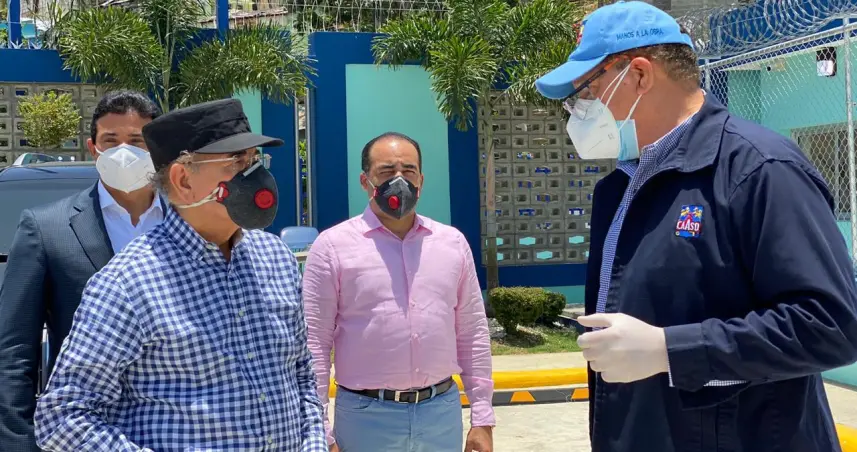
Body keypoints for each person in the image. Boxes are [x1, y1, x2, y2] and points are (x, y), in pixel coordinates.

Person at [537, 1, 857, 450]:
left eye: (586, 90)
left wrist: (670, 350)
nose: (577, 110)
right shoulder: (616, 188)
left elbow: (832, 325)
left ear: (639, 75)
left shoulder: (759, 169)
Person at [33, 99, 326, 451]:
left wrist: (313, 443)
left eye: (253, 161)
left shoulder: (276, 258)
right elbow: (62, 417)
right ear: (183, 179)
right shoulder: (129, 283)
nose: (255, 176)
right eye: (235, 162)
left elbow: (300, 374)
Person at [302, 132, 495, 452]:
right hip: (365, 418)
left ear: (421, 180)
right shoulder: (332, 247)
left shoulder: (452, 244)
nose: (399, 180)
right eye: (386, 172)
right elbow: (314, 344)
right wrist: (319, 430)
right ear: (365, 181)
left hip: (441, 415)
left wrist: (483, 419)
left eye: (408, 171)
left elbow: (472, 333)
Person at [0, 89, 163, 452]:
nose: (124, 151)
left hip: (179, 432)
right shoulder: (47, 229)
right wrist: (18, 443)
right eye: (111, 141)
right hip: (85, 433)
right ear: (93, 148)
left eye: (137, 141)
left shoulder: (189, 224)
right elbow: (14, 352)